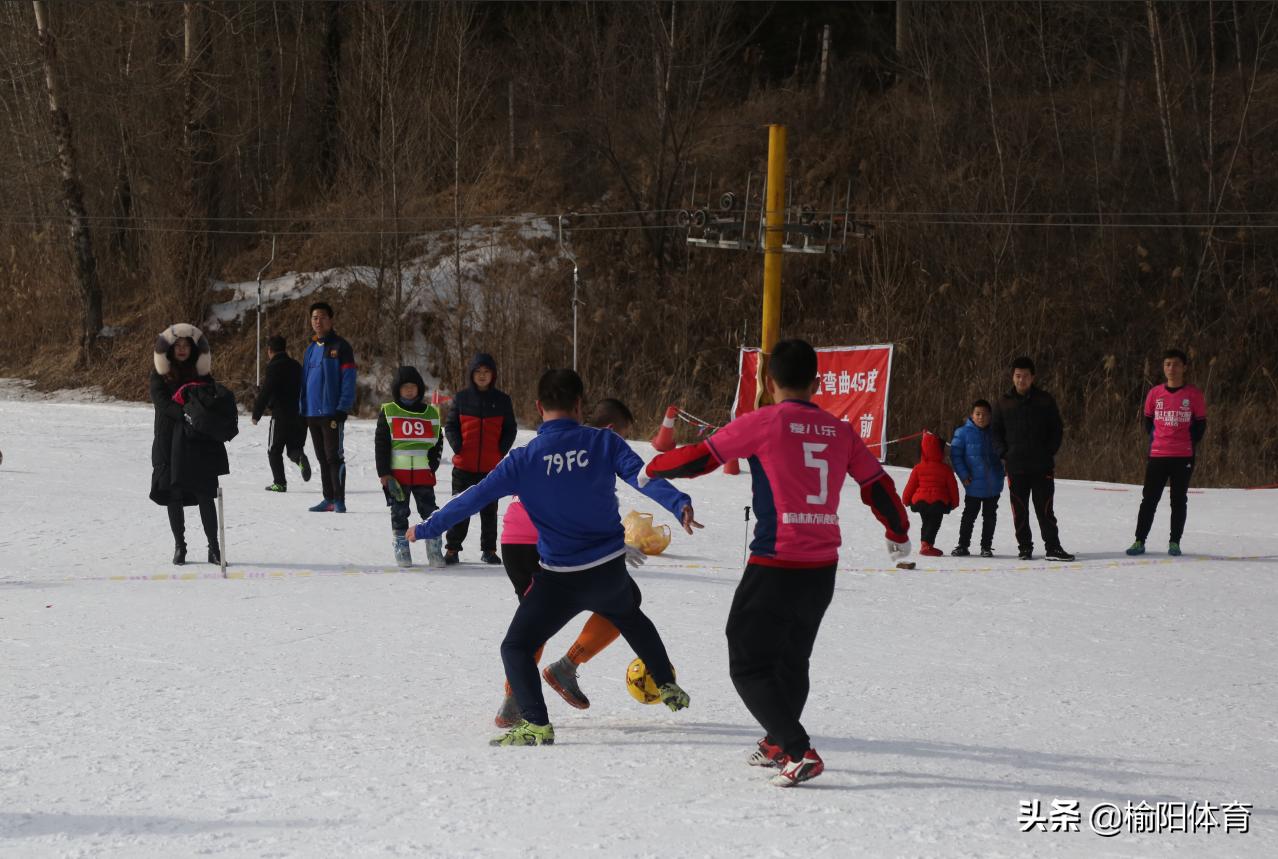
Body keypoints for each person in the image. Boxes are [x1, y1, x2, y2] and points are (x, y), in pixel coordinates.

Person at [644, 339, 911, 788]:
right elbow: (878, 484)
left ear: (770, 383)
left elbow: (699, 459)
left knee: (746, 662)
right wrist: (898, 531)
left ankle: (796, 748)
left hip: (775, 560)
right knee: (792, 659)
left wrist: (654, 467)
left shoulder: (763, 421)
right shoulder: (840, 431)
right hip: (822, 565)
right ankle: (776, 739)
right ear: (818, 382)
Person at [409, 369, 697, 747]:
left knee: (515, 646)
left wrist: (428, 528)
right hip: (608, 571)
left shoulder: (524, 459)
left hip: (558, 579)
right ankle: (667, 684)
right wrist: (679, 503)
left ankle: (536, 724)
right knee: (629, 615)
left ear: (538, 407)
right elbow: (642, 476)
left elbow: (472, 498)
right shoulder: (603, 442)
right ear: (580, 405)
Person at [495, 398, 639, 727]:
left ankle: (518, 694)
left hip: (513, 541)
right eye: (624, 437)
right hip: (545, 541)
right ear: (612, 431)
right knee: (624, 602)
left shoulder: (555, 440)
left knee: (536, 620)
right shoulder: (598, 449)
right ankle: (563, 669)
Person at [148, 324, 229, 565]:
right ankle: (180, 546)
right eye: (178, 346)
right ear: (170, 349)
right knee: (174, 494)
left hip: (197, 441)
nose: (182, 349)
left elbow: (212, 401)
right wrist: (186, 412)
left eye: (186, 346)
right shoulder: (159, 375)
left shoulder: (202, 375)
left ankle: (214, 548)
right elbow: (162, 403)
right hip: (168, 440)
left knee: (205, 493)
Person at [991, 357, 1075, 562]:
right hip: (1016, 466)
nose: (1021, 380)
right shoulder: (1002, 402)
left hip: (1041, 465)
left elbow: (1057, 429)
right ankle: (1025, 547)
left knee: (1045, 509)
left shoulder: (1045, 400)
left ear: (1033, 377)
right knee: (1019, 509)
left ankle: (1053, 547)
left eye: (1026, 376)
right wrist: (1004, 453)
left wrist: (1049, 451)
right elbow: (995, 432)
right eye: (1018, 376)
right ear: (1012, 377)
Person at [1126, 349, 1207, 557]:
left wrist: (1184, 442)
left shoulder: (1193, 395)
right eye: (1168, 364)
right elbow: (1148, 422)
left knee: (1178, 500)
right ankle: (1139, 540)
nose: (1172, 368)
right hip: (1158, 455)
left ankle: (1174, 542)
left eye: (1177, 364)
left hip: (1183, 456)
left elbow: (1200, 426)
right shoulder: (1155, 394)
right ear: (1164, 367)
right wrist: (1160, 441)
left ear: (1184, 367)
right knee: (1149, 499)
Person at [443, 353, 517, 565]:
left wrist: (500, 451)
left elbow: (510, 429)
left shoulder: (503, 400)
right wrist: (458, 446)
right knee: (459, 508)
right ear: (472, 375)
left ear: (493, 375)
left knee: (489, 511)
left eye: (486, 372)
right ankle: (452, 549)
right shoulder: (461, 398)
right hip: (463, 467)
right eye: (478, 372)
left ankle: (489, 550)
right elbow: (450, 426)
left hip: (490, 468)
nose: (482, 376)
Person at [375, 366, 443, 567]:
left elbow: (438, 441)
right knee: (399, 513)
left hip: (423, 475)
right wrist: (384, 474)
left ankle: (434, 549)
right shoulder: (389, 411)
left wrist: (432, 465)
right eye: (405, 387)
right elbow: (381, 444)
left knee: (430, 511)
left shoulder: (430, 412)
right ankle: (402, 549)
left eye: (413, 387)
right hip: (398, 476)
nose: (410, 390)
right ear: (398, 389)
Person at [300, 301, 356, 513]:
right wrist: (302, 407)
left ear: (330, 320)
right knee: (322, 458)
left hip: (332, 412)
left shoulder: (341, 347)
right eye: (314, 317)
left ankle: (339, 500)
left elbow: (349, 378)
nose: (318, 321)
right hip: (312, 413)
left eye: (322, 317)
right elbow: (305, 381)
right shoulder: (311, 349)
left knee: (334, 457)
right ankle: (328, 498)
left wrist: (343, 407)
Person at [251, 335, 312, 492]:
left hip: (281, 416)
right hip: (299, 415)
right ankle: (300, 458)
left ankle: (280, 483)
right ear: (285, 349)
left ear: (270, 351)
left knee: (274, 450)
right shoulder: (296, 365)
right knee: (293, 448)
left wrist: (257, 412)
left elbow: (267, 391)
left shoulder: (273, 367)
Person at [949, 399, 1005, 557]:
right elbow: (956, 456)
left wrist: (1002, 471)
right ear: (972, 415)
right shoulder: (962, 433)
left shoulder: (996, 432)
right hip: (973, 483)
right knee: (969, 515)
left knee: (990, 517)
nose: (981, 417)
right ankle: (963, 545)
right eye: (978, 414)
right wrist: (964, 475)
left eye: (985, 414)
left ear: (990, 416)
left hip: (993, 484)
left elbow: (1004, 452)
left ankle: (986, 546)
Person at [901, 431, 960, 557]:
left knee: (926, 522)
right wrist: (955, 502)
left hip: (920, 501)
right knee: (934, 523)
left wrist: (905, 500)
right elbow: (953, 487)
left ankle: (925, 544)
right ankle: (927, 545)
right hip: (938, 502)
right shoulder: (946, 469)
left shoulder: (918, 467)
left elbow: (910, 485)